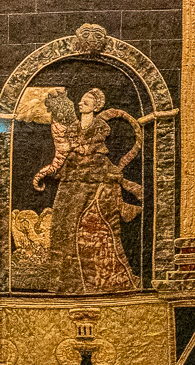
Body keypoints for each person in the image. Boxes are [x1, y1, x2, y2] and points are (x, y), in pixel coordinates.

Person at [33, 87, 142, 294]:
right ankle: (63, 282)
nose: (80, 104)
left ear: (95, 106)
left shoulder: (100, 126)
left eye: (86, 102)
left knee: (87, 227)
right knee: (62, 224)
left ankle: (93, 280)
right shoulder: (73, 127)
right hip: (71, 178)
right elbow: (67, 149)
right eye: (81, 101)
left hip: (94, 176)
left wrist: (80, 148)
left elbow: (89, 149)